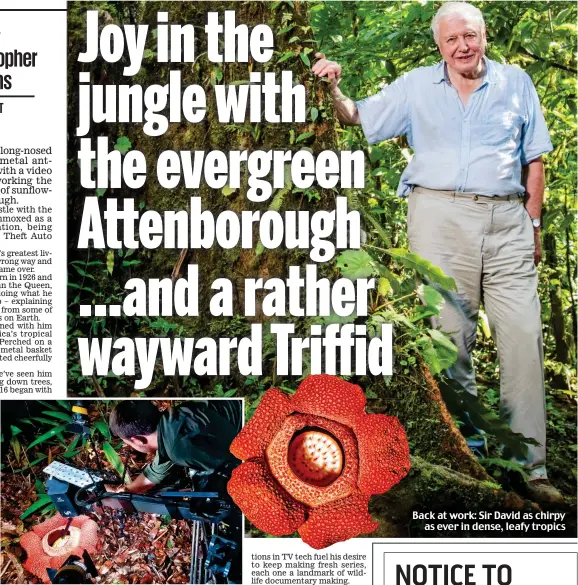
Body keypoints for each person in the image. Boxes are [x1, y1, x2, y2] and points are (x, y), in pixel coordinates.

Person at [312, 1, 563, 504]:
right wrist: (331, 87)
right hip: (439, 217)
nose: (463, 47)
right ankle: (468, 451)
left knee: (523, 337)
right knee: (449, 337)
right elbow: (359, 115)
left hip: (510, 219)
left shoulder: (517, 83)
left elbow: (534, 159)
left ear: (484, 35)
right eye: (452, 40)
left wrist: (533, 223)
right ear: (439, 46)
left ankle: (529, 468)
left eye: (470, 36)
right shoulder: (416, 86)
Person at [108, 400, 242, 494]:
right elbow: (156, 470)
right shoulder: (170, 423)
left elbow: (235, 462)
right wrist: (128, 489)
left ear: (137, 440)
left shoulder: (179, 449)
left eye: (128, 443)